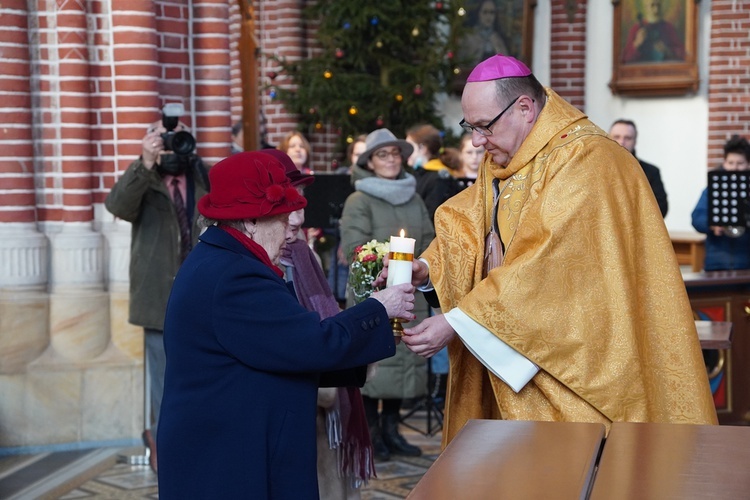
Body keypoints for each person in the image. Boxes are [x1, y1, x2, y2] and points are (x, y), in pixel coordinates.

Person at [380, 54, 717, 447]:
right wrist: (427, 268)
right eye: (469, 127)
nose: (475, 140)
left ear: (524, 107)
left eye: (483, 126)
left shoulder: (588, 159)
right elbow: (472, 223)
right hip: (508, 357)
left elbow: (551, 264)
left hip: (577, 367)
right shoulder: (505, 153)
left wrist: (457, 322)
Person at [156, 151, 415, 499]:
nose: (291, 233)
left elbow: (284, 350)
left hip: (234, 447)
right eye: (282, 221)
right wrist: (378, 310)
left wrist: (376, 329)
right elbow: (310, 342)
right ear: (251, 222)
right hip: (226, 461)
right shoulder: (235, 274)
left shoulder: (224, 259)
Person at [104, 117, 209, 474]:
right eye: (164, 138)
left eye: (177, 137)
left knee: (205, 372)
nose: (171, 145)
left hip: (202, 295)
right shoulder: (144, 180)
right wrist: (145, 162)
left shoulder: (200, 176)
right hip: (158, 296)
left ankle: (198, 442)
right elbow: (117, 206)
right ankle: (164, 444)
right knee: (162, 378)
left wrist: (195, 158)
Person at [269, 148, 374, 499]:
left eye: (301, 204)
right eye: (289, 207)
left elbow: (324, 316)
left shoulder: (303, 254)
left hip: (324, 411)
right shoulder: (264, 266)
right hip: (296, 415)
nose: (299, 219)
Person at [340, 128, 435, 461]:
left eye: (395, 154)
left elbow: (428, 240)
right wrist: (389, 259)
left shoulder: (414, 196)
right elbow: (355, 246)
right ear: (370, 162)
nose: (391, 160)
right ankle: (372, 433)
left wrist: (419, 265)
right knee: (376, 364)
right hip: (375, 293)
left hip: (410, 291)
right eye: (383, 154)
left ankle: (393, 431)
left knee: (404, 361)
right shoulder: (359, 199)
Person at [691, 135, 750, 271]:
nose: (734, 168)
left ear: (748, 164)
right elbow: (696, 218)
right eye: (730, 163)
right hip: (716, 262)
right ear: (724, 163)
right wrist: (712, 224)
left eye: (740, 163)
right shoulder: (712, 189)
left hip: (746, 263)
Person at [609, 119, 669, 217]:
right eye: (617, 137)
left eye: (627, 138)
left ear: (635, 142)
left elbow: (661, 209)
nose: (621, 142)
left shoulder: (650, 172)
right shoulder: (596, 169)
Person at [406, 124, 460, 220]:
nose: (406, 151)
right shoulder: (420, 174)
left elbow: (432, 215)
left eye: (410, 146)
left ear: (423, 148)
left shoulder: (438, 178)